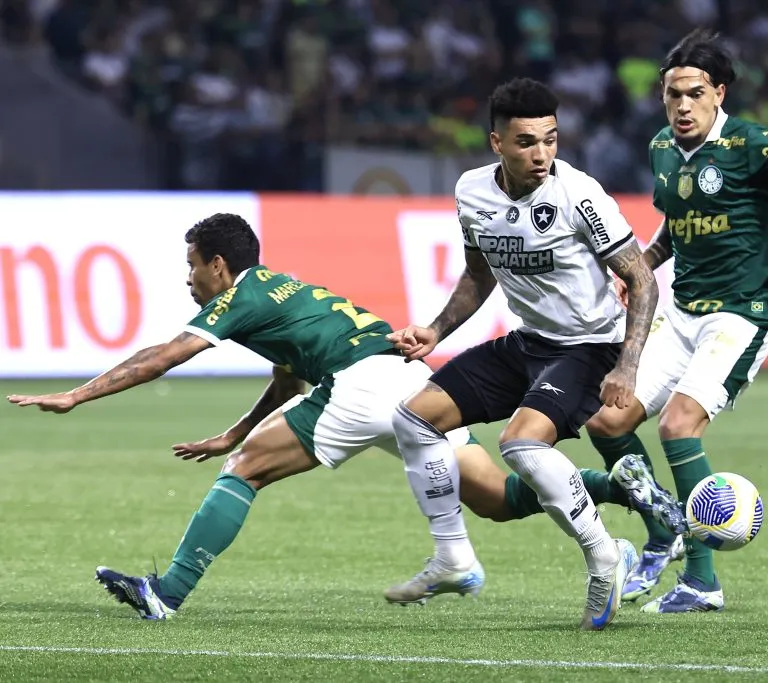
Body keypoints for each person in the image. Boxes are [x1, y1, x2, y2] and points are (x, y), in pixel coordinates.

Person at [6, 213, 681, 620]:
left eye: (192, 268)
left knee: (245, 474)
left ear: (219, 265)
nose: (189, 280)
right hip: (412, 382)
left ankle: (167, 593)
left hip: (361, 386)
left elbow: (164, 355)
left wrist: (76, 394)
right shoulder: (283, 291)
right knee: (500, 498)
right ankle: (624, 488)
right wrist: (235, 429)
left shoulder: (238, 297)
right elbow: (287, 376)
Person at [583, 29, 768, 613]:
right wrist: (640, 267)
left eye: (693, 94)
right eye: (671, 95)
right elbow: (678, 225)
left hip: (740, 314)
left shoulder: (754, 144)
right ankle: (662, 525)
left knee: (678, 426)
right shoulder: (662, 150)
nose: (680, 106)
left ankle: (702, 582)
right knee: (606, 420)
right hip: (680, 312)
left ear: (718, 94)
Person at [385, 77, 661, 631]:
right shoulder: (471, 192)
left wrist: (626, 365)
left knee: (519, 444)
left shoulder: (579, 194)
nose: (542, 154)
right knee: (413, 419)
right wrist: (437, 330)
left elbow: (641, 277)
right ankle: (452, 556)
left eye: (551, 140)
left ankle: (604, 555)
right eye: (527, 142)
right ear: (496, 144)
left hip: (588, 347)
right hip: (529, 342)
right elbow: (479, 271)